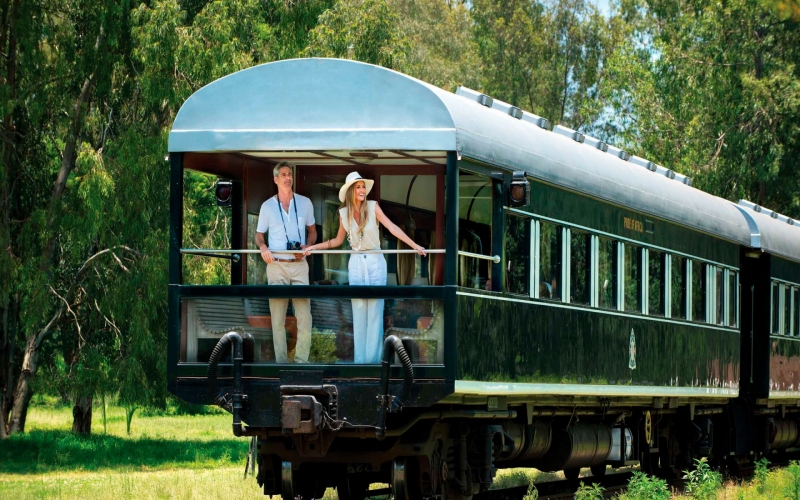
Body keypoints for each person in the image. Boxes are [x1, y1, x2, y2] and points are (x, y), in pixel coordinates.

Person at [304, 172, 426, 364]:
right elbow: (337, 241)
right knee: (359, 311)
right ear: (351, 190)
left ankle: (373, 362)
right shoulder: (343, 213)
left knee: (375, 312)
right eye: (358, 187)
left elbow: (392, 228)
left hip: (375, 262)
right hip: (356, 263)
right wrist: (313, 247)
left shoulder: (373, 206)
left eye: (363, 187)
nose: (361, 190)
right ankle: (359, 362)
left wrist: (415, 246)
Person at [256, 161, 317, 363]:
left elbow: (313, 232)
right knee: (278, 319)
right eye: (283, 174)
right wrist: (263, 248)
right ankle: (281, 363)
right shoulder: (266, 206)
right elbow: (258, 236)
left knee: (305, 317)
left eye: (289, 174)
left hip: (299, 265)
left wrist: (307, 247)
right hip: (277, 265)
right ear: (275, 179)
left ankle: (302, 361)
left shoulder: (305, 202)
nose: (287, 177)